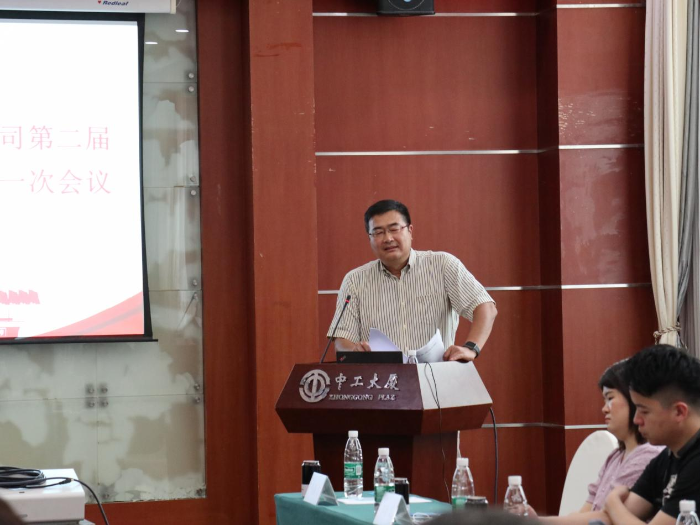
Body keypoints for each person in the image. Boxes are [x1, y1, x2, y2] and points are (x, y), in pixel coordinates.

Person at [328, 199, 497, 361]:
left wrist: (471, 348)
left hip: (436, 374)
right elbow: (342, 339)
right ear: (370, 238)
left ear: (410, 230)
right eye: (378, 232)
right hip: (381, 378)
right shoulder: (355, 280)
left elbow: (485, 307)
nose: (388, 238)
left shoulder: (443, 265)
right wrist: (354, 351)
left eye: (394, 229)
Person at [533, 360, 662, 522]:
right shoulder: (616, 456)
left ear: (635, 400)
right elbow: (586, 512)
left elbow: (606, 519)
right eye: (604, 401)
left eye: (610, 398)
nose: (604, 408)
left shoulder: (647, 455)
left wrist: (537, 522)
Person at [603, 344, 700, 524]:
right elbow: (618, 516)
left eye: (644, 411)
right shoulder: (668, 456)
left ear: (679, 412)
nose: (636, 420)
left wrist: (612, 501)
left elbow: (618, 513)